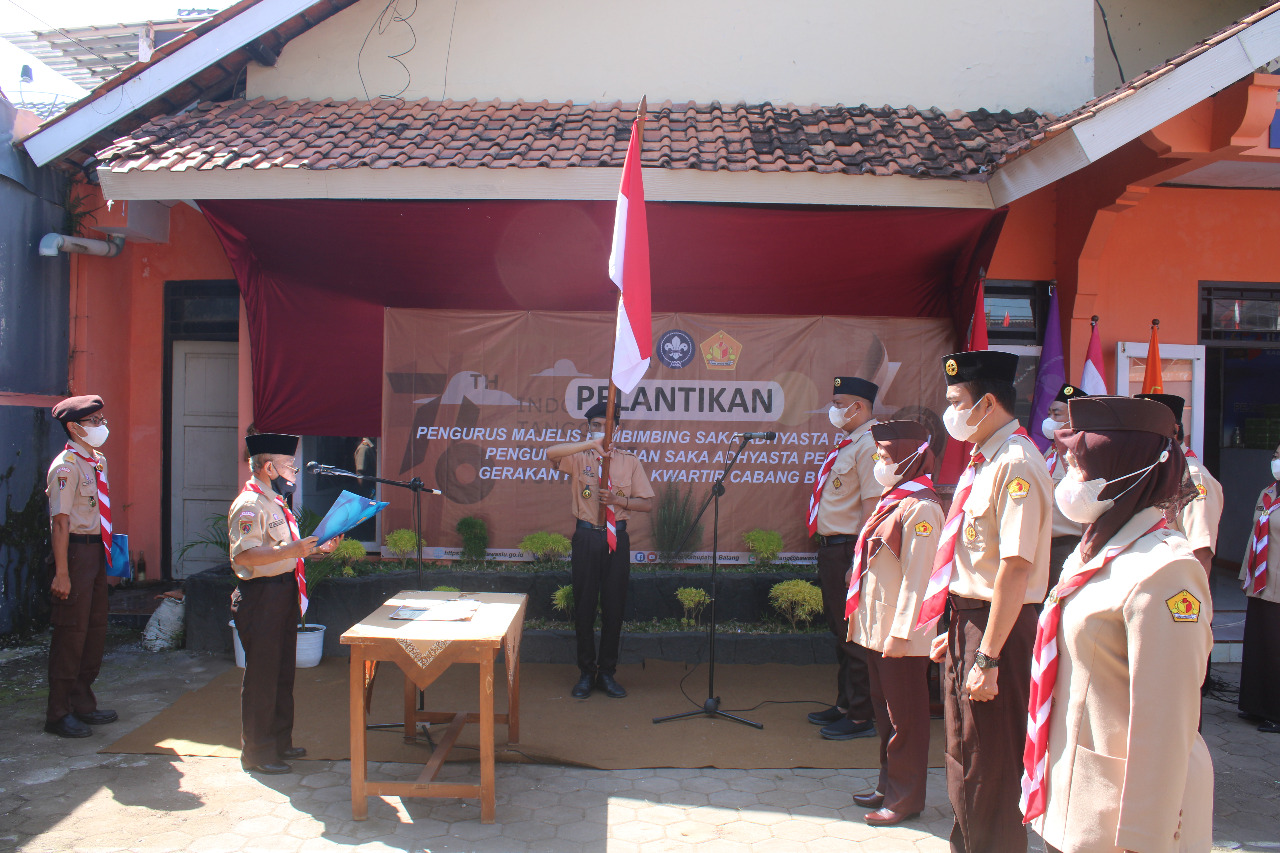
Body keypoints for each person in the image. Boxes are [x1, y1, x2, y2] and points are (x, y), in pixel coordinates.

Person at [1022, 395, 1212, 852]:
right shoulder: (1099, 549)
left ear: (1123, 464)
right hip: (1074, 798)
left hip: (1121, 823)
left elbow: (1168, 724)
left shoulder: (1166, 571)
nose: (1068, 478)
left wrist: (1142, 839)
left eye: (1079, 465)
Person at [924, 350, 1052, 853]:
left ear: (989, 402)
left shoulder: (1016, 463)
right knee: (963, 753)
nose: (950, 411)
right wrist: (956, 631)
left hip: (1000, 629)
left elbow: (1015, 569)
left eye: (957, 401)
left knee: (992, 760)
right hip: (971, 622)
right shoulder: (986, 460)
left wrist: (988, 655)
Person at [846, 420, 943, 826]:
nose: (879, 464)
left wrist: (902, 635)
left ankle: (906, 799)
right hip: (877, 630)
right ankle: (888, 785)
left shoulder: (922, 507)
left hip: (900, 636)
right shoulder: (895, 499)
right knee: (885, 716)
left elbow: (919, 580)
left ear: (909, 457)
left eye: (885, 457)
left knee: (906, 719)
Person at [228, 432, 336, 774]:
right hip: (261, 595)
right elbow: (244, 554)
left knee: (281, 672)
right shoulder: (249, 504)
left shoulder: (275, 500)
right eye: (289, 463)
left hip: (283, 591)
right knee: (262, 676)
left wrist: (318, 548)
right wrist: (293, 549)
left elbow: (288, 551)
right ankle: (258, 753)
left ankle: (280, 742)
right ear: (269, 466)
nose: (294, 468)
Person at [547, 401, 654, 700]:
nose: (601, 431)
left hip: (615, 538)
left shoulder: (629, 461)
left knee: (613, 607)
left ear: (617, 429)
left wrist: (620, 502)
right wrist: (589, 444)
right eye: (595, 425)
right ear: (589, 428)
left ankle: (606, 673)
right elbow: (549, 454)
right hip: (586, 538)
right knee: (583, 607)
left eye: (606, 426)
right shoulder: (579, 458)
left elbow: (646, 503)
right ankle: (585, 672)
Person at [806, 376, 880, 740]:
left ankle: (861, 714)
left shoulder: (870, 445)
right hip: (832, 548)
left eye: (839, 403)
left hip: (849, 547)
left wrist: (859, 558)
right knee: (841, 631)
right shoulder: (851, 443)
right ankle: (844, 703)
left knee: (854, 633)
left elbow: (872, 506)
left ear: (860, 407)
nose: (833, 411)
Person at [43, 395, 118, 738]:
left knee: (95, 627)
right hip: (74, 552)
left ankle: (82, 701)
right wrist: (62, 572)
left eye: (101, 419)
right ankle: (58, 712)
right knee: (71, 631)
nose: (101, 426)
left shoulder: (95, 460)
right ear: (74, 427)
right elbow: (60, 523)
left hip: (96, 553)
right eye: (94, 421)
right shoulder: (66, 466)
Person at [1136, 393, 1223, 576]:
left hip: (1170, 587)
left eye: (1146, 428)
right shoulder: (1153, 470)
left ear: (1173, 430)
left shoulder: (1193, 477)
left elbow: (1200, 552)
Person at [1239, 440, 1280, 733]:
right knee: (1258, 644)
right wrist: (1245, 573)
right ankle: (1255, 705)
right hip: (1261, 583)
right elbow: (1255, 536)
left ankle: (1275, 712)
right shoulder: (1267, 493)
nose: (1276, 461)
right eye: (1276, 455)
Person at [1042, 383, 1087, 590]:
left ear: (1073, 418)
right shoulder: (1050, 453)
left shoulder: (1082, 456)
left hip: (1068, 544)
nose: (1050, 419)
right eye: (1049, 413)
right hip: (1044, 544)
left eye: (1056, 414)